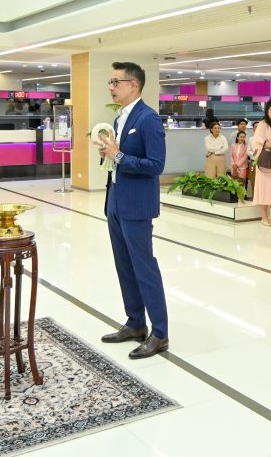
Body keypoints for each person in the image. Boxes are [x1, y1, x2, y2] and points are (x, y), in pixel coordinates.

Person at [96, 62, 169, 359]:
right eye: (110, 81)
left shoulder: (148, 119)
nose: (111, 87)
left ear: (133, 85)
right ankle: (136, 322)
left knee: (144, 267)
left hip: (137, 205)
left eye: (116, 82)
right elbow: (120, 157)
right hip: (116, 199)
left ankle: (160, 333)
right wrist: (109, 155)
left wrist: (119, 156)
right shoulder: (120, 119)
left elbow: (156, 165)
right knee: (124, 265)